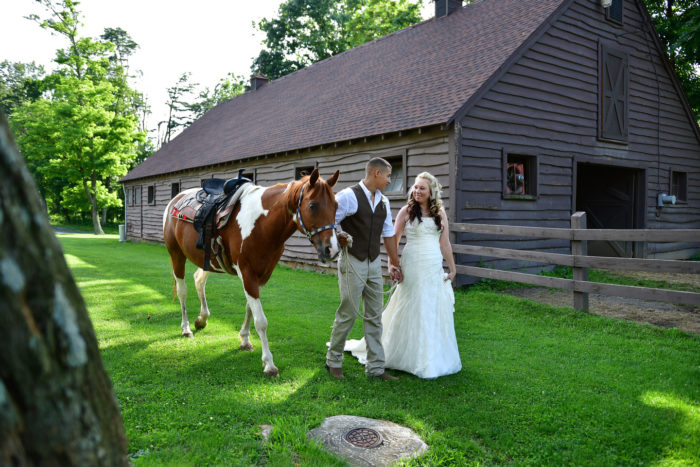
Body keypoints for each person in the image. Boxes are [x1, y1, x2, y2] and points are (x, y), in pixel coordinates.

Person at [344, 172, 461, 379]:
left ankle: (429, 357)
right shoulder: (407, 211)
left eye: (422, 188)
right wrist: (392, 265)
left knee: (430, 307)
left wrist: (452, 269)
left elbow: (445, 243)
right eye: (415, 187)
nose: (417, 191)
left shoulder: (439, 213)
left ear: (431, 191)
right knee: (411, 304)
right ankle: (394, 353)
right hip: (413, 263)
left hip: (433, 264)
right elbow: (393, 239)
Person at [325, 157, 403, 381]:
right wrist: (338, 235)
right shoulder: (348, 196)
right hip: (352, 261)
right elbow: (328, 223)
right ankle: (333, 361)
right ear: (376, 173)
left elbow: (388, 234)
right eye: (388, 175)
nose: (390, 180)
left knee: (375, 317)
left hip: (373, 263)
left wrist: (394, 264)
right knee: (348, 313)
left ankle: (376, 368)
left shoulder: (384, 202)